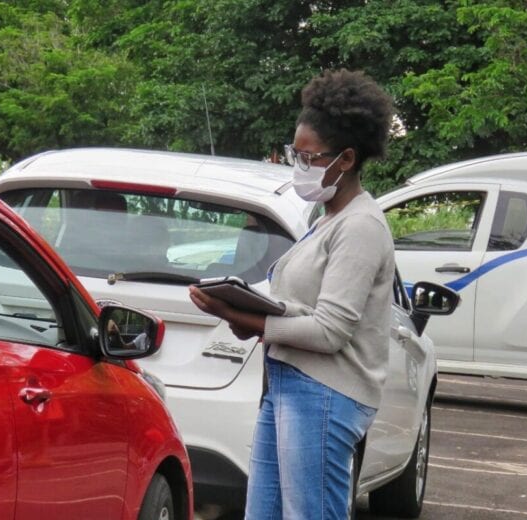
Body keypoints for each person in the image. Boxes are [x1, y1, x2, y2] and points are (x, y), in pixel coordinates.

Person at [189, 69, 396, 519]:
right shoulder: (326, 219)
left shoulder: (359, 226)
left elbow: (331, 331)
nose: (298, 167)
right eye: (294, 155)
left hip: (323, 393)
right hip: (288, 383)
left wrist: (254, 322)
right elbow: (302, 305)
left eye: (308, 158)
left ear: (346, 159)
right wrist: (242, 311)